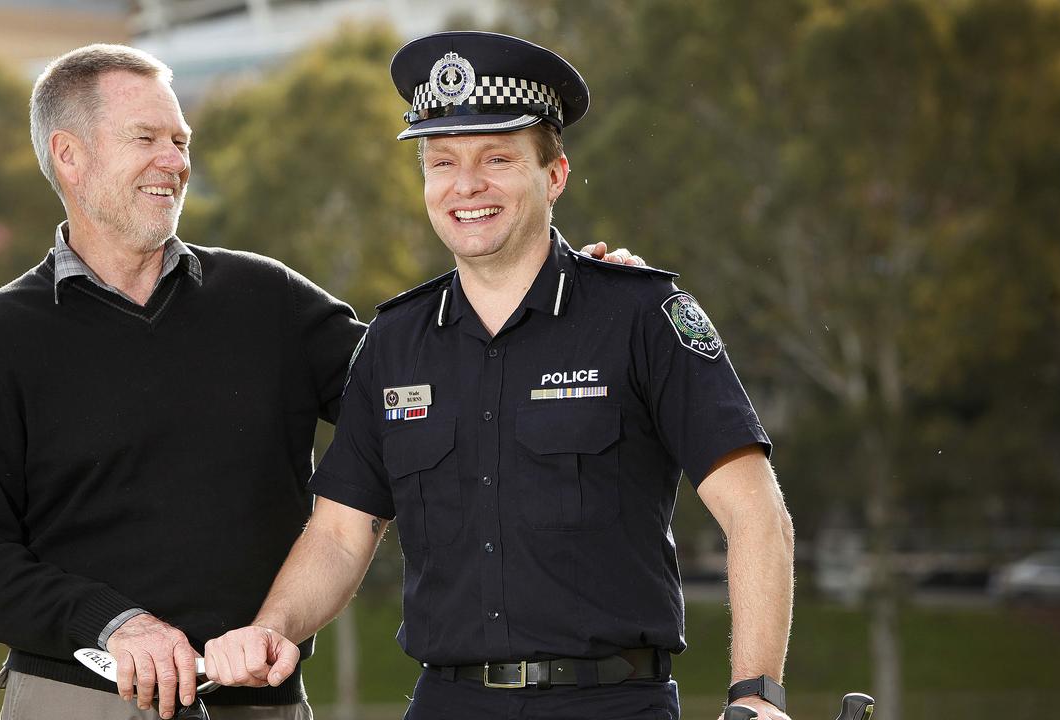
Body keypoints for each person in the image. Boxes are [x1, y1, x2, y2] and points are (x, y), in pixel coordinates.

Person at [0, 43, 639, 720]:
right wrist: (112, 625)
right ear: (69, 155)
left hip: (261, 701)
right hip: (77, 699)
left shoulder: (268, 301)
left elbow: (434, 389)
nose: (174, 162)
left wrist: (564, 310)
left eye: (181, 141)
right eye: (148, 139)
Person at [202, 31, 796, 720]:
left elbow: (757, 515)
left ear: (555, 175)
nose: (466, 185)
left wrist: (756, 695)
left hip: (611, 705)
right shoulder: (394, 343)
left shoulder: (643, 315)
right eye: (442, 161)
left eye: (498, 158)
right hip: (446, 703)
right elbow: (339, 535)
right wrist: (272, 628)